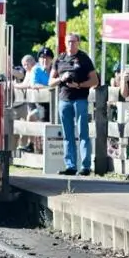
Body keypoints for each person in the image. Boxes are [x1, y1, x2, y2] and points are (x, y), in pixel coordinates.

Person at [48, 33, 99, 176]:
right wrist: (61, 78)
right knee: (67, 134)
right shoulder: (59, 59)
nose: (71, 44)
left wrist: (79, 85)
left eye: (74, 42)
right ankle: (70, 166)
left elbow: (95, 81)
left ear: (78, 43)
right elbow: (50, 83)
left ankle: (85, 166)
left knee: (83, 132)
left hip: (80, 99)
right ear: (65, 42)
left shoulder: (84, 59)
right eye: (68, 42)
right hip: (64, 100)